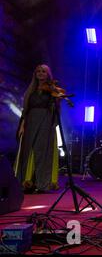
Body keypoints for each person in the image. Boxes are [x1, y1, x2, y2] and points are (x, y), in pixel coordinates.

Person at [14, 64, 60, 193]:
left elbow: (56, 108)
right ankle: (26, 182)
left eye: (43, 71)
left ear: (48, 74)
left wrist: (55, 93)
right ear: (35, 74)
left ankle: (42, 183)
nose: (40, 73)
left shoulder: (52, 89)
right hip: (31, 122)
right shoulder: (30, 91)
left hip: (45, 121)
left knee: (42, 151)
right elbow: (25, 110)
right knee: (28, 152)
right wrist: (22, 126)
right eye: (38, 71)